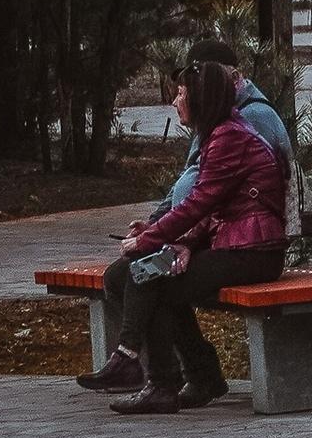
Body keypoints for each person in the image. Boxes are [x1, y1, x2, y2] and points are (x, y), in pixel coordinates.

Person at [82, 39, 292, 393]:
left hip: (250, 248)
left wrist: (156, 239)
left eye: (182, 93)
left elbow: (200, 201)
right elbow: (198, 194)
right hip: (223, 240)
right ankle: (188, 373)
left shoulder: (237, 129)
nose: (175, 101)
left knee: (148, 277)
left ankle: (152, 374)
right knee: (133, 274)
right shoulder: (215, 131)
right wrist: (168, 234)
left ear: (205, 94)